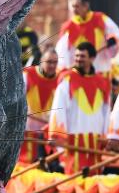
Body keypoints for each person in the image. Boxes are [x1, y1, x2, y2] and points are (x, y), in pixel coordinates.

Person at [47, 42, 111, 175]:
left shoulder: (102, 82)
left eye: (82, 56)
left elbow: (106, 111)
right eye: (76, 56)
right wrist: (57, 134)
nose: (78, 59)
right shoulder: (67, 79)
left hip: (95, 141)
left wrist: (107, 136)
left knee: (95, 175)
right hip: (74, 140)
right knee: (74, 174)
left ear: (92, 58)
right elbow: (59, 108)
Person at [55, 0, 119, 75]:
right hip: (78, 70)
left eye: (77, 6)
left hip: (100, 68)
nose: (74, 10)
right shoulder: (68, 26)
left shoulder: (100, 18)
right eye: (72, 6)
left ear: (86, 6)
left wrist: (107, 43)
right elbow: (61, 51)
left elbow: (118, 35)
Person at [19, 49, 59, 165]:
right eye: (49, 62)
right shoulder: (28, 74)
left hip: (45, 136)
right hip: (26, 133)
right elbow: (18, 100)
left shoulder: (60, 79)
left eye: (55, 62)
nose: (52, 66)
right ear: (41, 61)